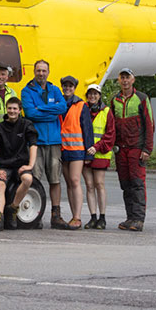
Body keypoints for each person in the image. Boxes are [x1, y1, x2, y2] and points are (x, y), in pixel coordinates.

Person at [21, 59, 69, 229]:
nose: (41, 73)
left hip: (54, 142)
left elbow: (62, 108)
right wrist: (50, 110)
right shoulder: (26, 91)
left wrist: (40, 109)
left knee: (55, 180)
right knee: (35, 178)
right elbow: (29, 112)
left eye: (44, 71)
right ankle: (36, 215)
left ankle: (56, 216)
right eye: (38, 70)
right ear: (34, 71)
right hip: (36, 142)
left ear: (48, 72)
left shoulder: (55, 90)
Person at [112, 68, 154, 232]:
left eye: (127, 77)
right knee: (126, 184)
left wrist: (147, 149)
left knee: (137, 184)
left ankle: (138, 219)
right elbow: (112, 125)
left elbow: (149, 125)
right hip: (121, 150)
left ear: (133, 79)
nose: (125, 80)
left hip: (137, 148)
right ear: (119, 80)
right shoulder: (114, 99)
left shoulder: (142, 98)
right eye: (122, 77)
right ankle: (130, 217)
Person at [0, 96, 38, 231]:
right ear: (6, 109)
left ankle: (13, 208)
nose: (12, 111)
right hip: (4, 165)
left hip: (21, 164)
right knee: (0, 184)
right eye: (9, 108)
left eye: (15, 109)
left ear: (20, 110)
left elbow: (33, 145)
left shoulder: (27, 125)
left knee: (27, 179)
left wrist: (30, 165)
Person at [59, 75, 92, 230]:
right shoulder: (59, 104)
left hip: (77, 150)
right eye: (65, 86)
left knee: (75, 181)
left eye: (70, 86)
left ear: (75, 88)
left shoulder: (81, 105)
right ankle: (73, 216)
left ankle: (77, 217)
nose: (67, 88)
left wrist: (89, 153)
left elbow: (87, 129)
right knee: (68, 183)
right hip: (63, 149)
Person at [81, 83, 115, 230]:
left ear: (99, 95)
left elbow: (110, 134)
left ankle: (102, 217)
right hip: (85, 153)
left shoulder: (107, 111)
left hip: (100, 153)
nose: (92, 96)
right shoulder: (83, 110)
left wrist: (97, 147)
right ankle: (93, 216)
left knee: (99, 184)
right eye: (90, 94)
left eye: (95, 94)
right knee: (89, 185)